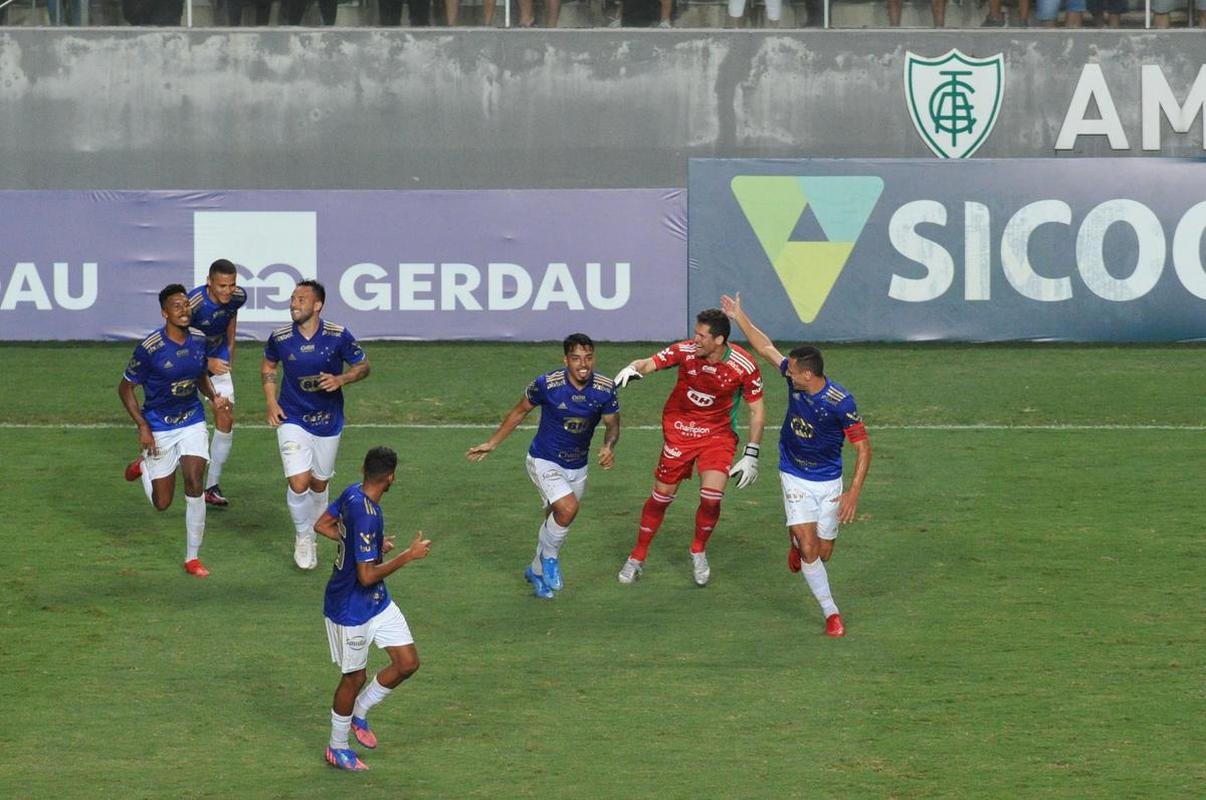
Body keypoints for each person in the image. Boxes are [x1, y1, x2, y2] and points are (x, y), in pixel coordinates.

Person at [720, 292, 871, 638]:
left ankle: (800, 544)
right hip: (793, 471)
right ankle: (832, 614)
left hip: (828, 479)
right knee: (808, 548)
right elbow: (766, 347)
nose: (786, 370)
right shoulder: (793, 375)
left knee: (823, 552)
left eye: (793, 369)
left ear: (808, 375)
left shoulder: (840, 403)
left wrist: (852, 493)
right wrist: (739, 316)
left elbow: (863, 448)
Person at [613, 308, 765, 587]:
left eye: (701, 335)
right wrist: (632, 368)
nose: (695, 339)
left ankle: (698, 549)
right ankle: (637, 556)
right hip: (680, 432)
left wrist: (752, 451)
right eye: (695, 332)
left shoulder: (743, 365)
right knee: (661, 497)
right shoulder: (685, 351)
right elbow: (648, 363)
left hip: (718, 436)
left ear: (719, 340)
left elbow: (757, 410)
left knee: (712, 497)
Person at [466, 333, 621, 599]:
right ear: (565, 360)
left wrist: (608, 446)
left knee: (556, 518)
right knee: (568, 509)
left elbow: (612, 424)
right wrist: (493, 443)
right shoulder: (548, 384)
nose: (583, 364)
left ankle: (535, 571)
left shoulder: (605, 388)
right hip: (544, 459)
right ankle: (550, 558)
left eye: (588, 357)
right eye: (576, 358)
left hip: (578, 466)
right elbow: (519, 411)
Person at [314, 446, 432, 771]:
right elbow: (366, 576)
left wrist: (369, 546)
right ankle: (337, 747)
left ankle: (360, 712)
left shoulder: (354, 493)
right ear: (390, 477)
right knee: (354, 677)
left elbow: (323, 525)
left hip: (377, 602)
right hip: (349, 607)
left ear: (365, 468)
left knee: (407, 662)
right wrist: (408, 556)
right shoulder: (366, 512)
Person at [119, 284, 231, 578]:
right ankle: (145, 466)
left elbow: (199, 376)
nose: (184, 310)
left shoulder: (198, 338)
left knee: (195, 481)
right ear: (164, 312)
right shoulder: (150, 348)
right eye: (177, 306)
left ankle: (192, 557)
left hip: (191, 419)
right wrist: (143, 426)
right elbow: (125, 388)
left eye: (186, 304)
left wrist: (213, 397)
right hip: (158, 426)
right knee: (162, 503)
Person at [262, 280, 371, 571]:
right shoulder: (280, 337)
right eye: (292, 299)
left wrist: (341, 379)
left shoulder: (337, 336)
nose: (293, 304)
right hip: (292, 418)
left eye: (300, 299)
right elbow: (269, 367)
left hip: (328, 420)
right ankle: (303, 535)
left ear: (317, 305)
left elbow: (364, 366)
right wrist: (272, 402)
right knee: (299, 483)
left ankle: (317, 516)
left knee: (318, 483)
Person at [187, 259, 247, 507]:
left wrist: (229, 351)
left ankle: (210, 486)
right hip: (188, 362)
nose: (227, 290)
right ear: (209, 282)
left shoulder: (237, 296)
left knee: (225, 414)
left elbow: (231, 317)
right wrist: (207, 361)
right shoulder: (193, 304)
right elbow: (177, 338)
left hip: (216, 361)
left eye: (231, 285)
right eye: (222, 285)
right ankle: (149, 461)